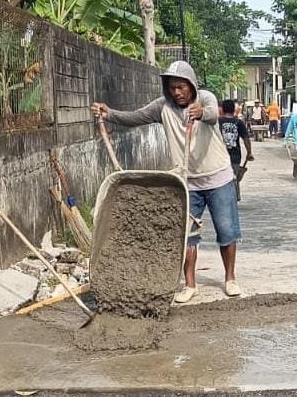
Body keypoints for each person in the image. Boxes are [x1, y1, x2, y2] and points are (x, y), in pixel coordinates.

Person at [91, 61, 242, 303]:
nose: (177, 92)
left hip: (218, 177)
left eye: (181, 87)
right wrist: (109, 114)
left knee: (226, 230)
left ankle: (230, 279)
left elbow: (213, 115)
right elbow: (135, 117)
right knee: (187, 236)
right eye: (172, 87)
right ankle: (190, 285)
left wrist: (201, 113)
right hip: (186, 183)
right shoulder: (162, 106)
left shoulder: (205, 98)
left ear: (191, 85)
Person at [218, 99, 254, 201]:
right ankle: (234, 196)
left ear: (223, 109)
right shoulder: (239, 122)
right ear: (234, 109)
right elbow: (246, 138)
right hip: (235, 156)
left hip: (220, 156)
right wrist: (249, 153)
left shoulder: (217, 122)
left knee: (221, 179)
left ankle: (223, 198)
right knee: (234, 177)